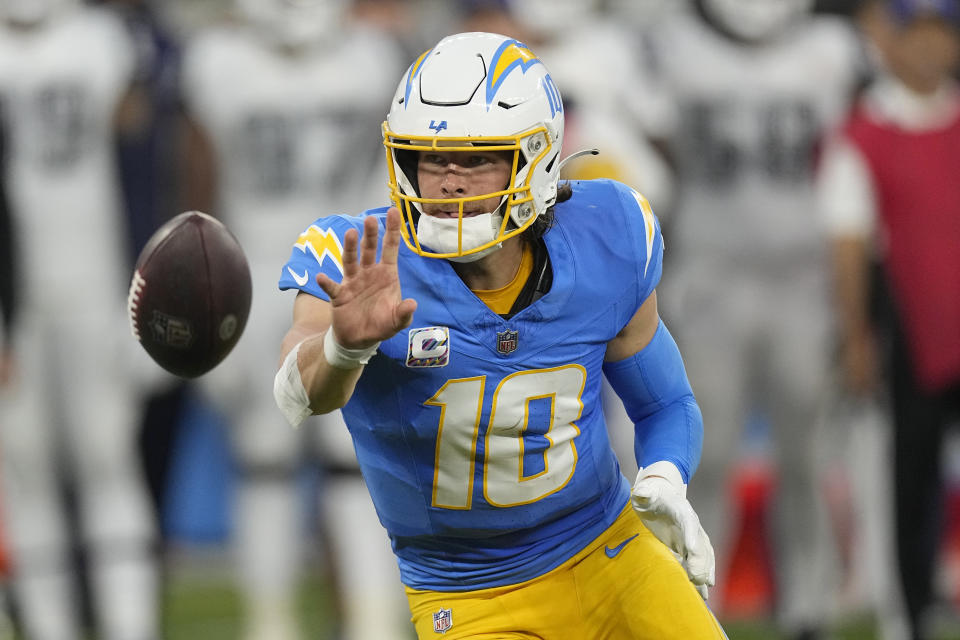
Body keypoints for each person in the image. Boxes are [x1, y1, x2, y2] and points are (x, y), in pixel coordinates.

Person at [272, 31, 726, 639]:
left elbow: (665, 402)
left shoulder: (605, 237)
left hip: (609, 551)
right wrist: (343, 346)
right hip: (469, 594)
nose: (448, 184)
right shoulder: (360, 260)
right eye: (431, 159)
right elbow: (298, 393)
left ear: (535, 159)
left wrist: (664, 477)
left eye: (477, 157)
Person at [179, 1, 410, 638]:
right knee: (299, 468)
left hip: (297, 281)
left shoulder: (220, 61)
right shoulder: (371, 57)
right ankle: (339, 624)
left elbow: (197, 188)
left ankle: (323, 624)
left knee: (286, 470)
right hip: (315, 278)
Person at [640, 1, 868, 636]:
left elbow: (850, 158)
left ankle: (809, 610)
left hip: (802, 279)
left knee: (808, 453)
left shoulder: (829, 45)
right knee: (704, 454)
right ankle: (692, 607)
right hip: (712, 277)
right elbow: (653, 147)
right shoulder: (673, 40)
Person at [0, 0, 162, 638]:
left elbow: (145, 172)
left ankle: (127, 624)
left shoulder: (108, 42)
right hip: (23, 299)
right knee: (28, 469)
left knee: (103, 460)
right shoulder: (110, 42)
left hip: (99, 288)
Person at [817, 1, 960, 637]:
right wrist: (856, 338)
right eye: (919, 33)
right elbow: (847, 243)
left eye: (943, 32)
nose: (932, 48)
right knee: (910, 479)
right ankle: (909, 608)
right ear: (890, 42)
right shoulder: (865, 132)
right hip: (912, 331)